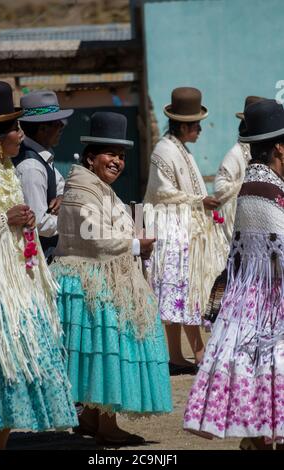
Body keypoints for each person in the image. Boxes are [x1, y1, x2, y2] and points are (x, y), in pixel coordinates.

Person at [51, 111, 172, 446]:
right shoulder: (80, 191)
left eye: (121, 156)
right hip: (90, 285)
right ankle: (106, 424)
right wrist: (137, 244)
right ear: (91, 157)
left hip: (100, 281)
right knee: (107, 352)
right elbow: (97, 238)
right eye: (110, 154)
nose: (117, 162)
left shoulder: (99, 189)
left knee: (101, 353)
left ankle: (91, 417)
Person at [184, 99, 284, 450]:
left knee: (260, 377)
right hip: (270, 305)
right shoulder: (269, 194)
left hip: (250, 305)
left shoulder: (254, 187)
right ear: (280, 149)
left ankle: (257, 441)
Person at [0, 81, 77, 450]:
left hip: (17, 284)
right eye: (14, 129)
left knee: (14, 375)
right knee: (0, 374)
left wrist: (26, 219)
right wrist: (3, 220)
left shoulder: (5, 168)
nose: (20, 135)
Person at [144, 87, 228, 372]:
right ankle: (199, 353)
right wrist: (199, 200)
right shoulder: (164, 151)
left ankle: (177, 357)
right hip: (171, 230)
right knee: (185, 291)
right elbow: (162, 193)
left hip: (182, 229)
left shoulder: (181, 150)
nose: (200, 130)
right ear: (183, 125)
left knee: (180, 293)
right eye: (196, 125)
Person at [14, 90, 74, 260]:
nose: (62, 126)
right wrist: (72, 221)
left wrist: (63, 197)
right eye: (57, 123)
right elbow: (40, 223)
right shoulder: (32, 168)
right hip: (38, 258)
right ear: (42, 128)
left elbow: (62, 186)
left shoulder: (42, 157)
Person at [214, 96, 266, 242]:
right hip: (238, 222)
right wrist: (248, 186)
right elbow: (220, 187)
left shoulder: (256, 151)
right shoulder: (236, 153)